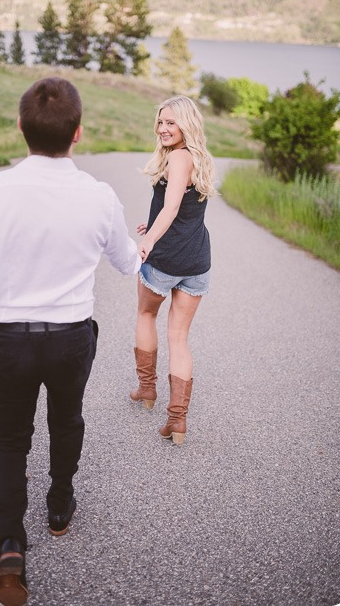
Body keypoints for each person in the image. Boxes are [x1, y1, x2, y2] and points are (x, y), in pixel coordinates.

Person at [0, 77, 141, 606]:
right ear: (78, 134)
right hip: (72, 336)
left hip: (8, 339)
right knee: (66, 418)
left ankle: (9, 546)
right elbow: (126, 263)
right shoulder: (98, 196)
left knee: (8, 441)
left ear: (21, 127)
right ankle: (59, 505)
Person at [131, 95, 217, 445]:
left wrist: (149, 240)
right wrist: (149, 224)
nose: (164, 129)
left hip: (166, 259)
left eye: (171, 123)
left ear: (186, 125)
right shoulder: (197, 157)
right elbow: (181, 210)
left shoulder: (178, 158)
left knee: (145, 315)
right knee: (179, 337)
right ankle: (177, 420)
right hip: (196, 260)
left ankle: (147, 390)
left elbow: (170, 208)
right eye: (161, 122)